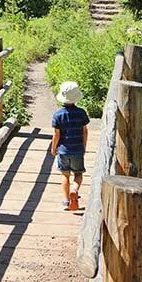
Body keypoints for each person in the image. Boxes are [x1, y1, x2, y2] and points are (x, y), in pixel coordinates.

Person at [50, 81, 90, 211]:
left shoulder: (57, 115)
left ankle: (66, 201)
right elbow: (85, 131)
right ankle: (75, 189)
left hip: (63, 150)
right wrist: (84, 146)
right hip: (77, 149)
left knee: (65, 175)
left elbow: (56, 135)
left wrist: (53, 148)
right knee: (78, 174)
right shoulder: (81, 113)